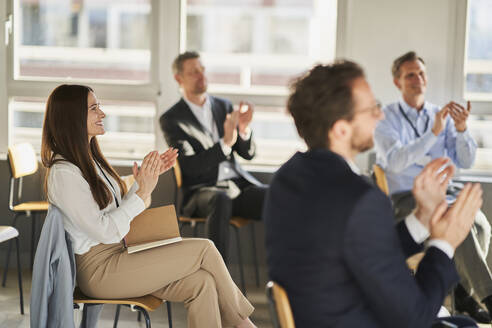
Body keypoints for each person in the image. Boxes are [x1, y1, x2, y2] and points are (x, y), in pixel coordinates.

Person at [264, 61, 482, 327]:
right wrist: (443, 243)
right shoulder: (360, 197)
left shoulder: (287, 177)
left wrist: (422, 218)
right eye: (371, 109)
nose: (379, 116)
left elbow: (364, 249)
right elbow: (416, 316)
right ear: (341, 129)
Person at [41, 84, 257, 328]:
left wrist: (146, 178)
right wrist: (141, 192)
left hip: (121, 257)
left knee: (202, 282)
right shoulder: (64, 173)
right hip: (100, 271)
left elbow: (116, 206)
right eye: (94, 108)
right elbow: (104, 230)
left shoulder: (89, 161)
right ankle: (242, 324)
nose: (102, 113)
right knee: (205, 249)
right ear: (72, 117)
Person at [374, 51, 492, 323]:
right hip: (407, 199)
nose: (418, 79)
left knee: (480, 224)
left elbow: (465, 160)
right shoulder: (386, 118)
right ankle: (487, 297)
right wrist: (433, 133)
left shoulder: (442, 114)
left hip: (446, 193)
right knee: (454, 216)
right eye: (410, 75)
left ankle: (463, 293)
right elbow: (395, 161)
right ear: (397, 82)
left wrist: (461, 129)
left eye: (421, 73)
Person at [160, 51, 267, 259]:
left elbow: (248, 154)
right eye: (193, 73)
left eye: (202, 70)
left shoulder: (223, 106)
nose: (201, 76)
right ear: (178, 79)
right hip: (203, 193)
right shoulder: (172, 119)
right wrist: (225, 143)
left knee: (277, 196)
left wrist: (243, 130)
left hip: (237, 188)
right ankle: (218, 280)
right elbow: (190, 168)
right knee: (221, 199)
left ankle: (286, 280)